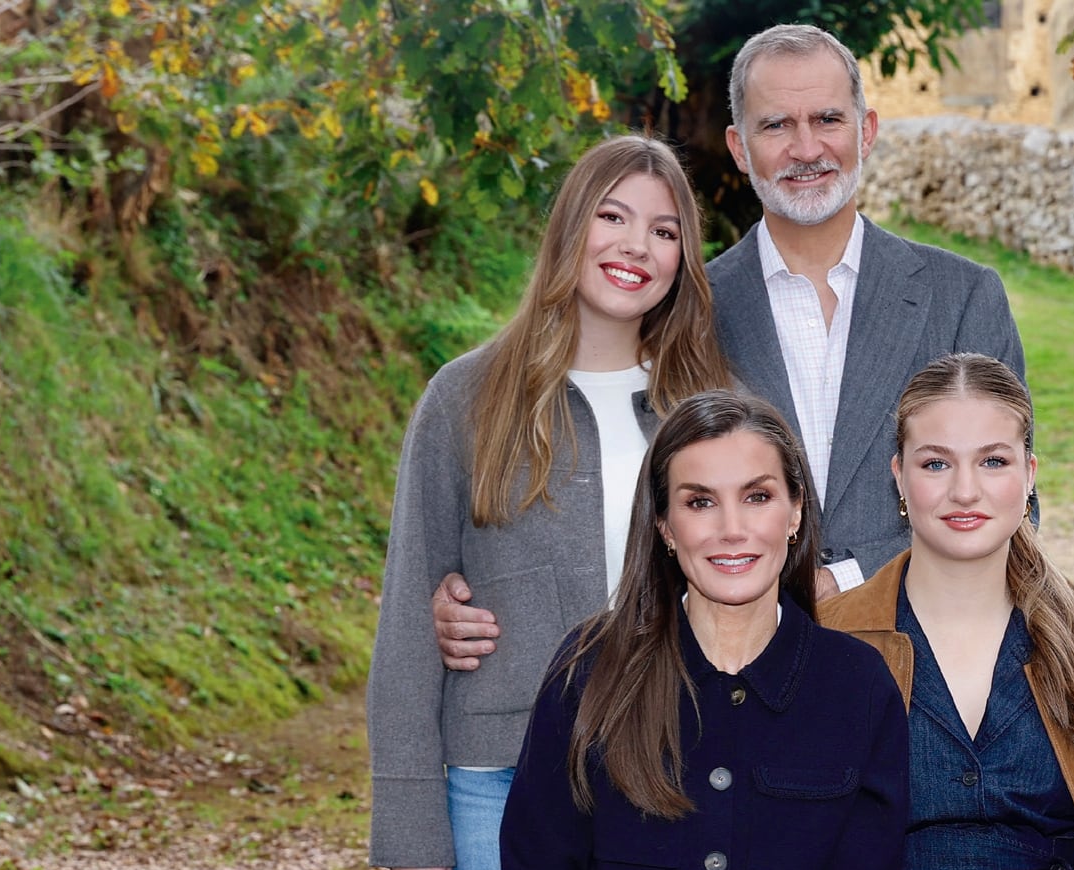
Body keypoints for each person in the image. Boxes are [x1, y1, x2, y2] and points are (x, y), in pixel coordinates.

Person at [433, 23, 1031, 673]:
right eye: (775, 125)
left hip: (928, 671)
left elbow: (1012, 509)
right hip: (730, 689)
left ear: (865, 131)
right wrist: (484, 586)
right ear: (738, 147)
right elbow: (609, 467)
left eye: (827, 118)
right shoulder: (679, 310)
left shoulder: (964, 298)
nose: (806, 147)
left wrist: (851, 579)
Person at [366, 135, 733, 870]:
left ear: (682, 259)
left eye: (665, 231)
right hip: (496, 776)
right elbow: (409, 610)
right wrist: (409, 814)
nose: (637, 246)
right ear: (570, 226)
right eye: (612, 216)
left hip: (676, 762)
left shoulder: (708, 409)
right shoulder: (464, 398)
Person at [819, 353, 1074, 870]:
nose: (964, 491)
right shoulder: (822, 646)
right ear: (899, 478)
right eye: (936, 463)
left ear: (1029, 476)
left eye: (993, 462)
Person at [497, 390, 910, 870]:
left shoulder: (857, 684)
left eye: (757, 497)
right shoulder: (589, 667)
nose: (731, 529)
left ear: (796, 512)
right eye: (700, 502)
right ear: (665, 525)